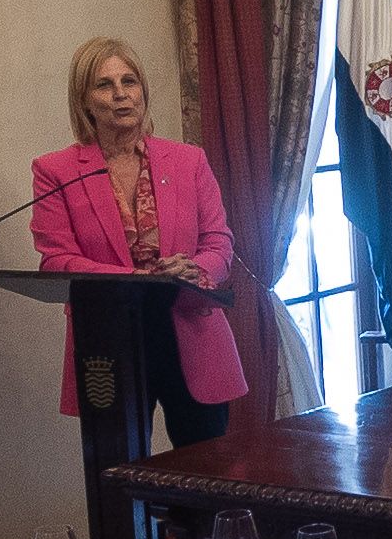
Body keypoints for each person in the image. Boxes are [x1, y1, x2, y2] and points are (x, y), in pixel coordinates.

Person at [31, 37, 245, 449]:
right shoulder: (55, 171)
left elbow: (219, 241)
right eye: (104, 84)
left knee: (206, 477)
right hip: (108, 340)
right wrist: (137, 278)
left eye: (130, 81)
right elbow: (57, 261)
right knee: (118, 478)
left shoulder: (188, 160)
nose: (120, 94)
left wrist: (195, 270)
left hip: (191, 327)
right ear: (84, 101)